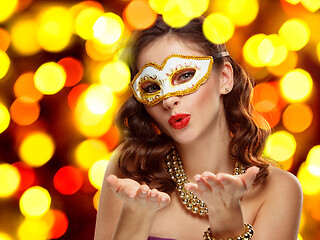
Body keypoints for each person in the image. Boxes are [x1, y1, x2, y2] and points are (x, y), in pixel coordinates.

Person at [94, 16, 303, 240]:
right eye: (153, 86)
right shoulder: (130, 170)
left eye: (185, 75)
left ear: (224, 77)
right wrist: (133, 222)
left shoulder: (278, 190)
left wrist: (228, 228)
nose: (169, 100)